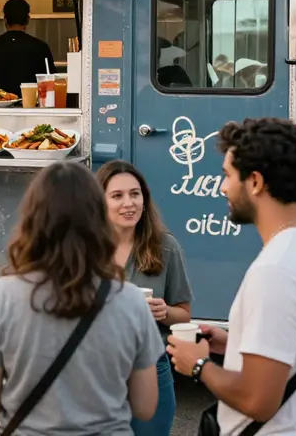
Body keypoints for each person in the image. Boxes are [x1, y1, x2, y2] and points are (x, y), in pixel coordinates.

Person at [167, 117, 296, 434]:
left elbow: (258, 401)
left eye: (227, 175)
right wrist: (234, 344)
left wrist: (198, 365)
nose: (222, 187)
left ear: (255, 182)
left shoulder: (276, 270)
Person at [0, 161, 165, 435]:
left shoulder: (2, 295)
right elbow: (145, 407)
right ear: (98, 218)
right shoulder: (130, 299)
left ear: (33, 218)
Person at [98, 160, 193, 436]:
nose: (129, 203)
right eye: (117, 196)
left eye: (135, 194)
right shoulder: (83, 247)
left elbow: (184, 314)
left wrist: (164, 312)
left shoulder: (166, 247)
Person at [0, 0, 56, 97]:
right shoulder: (41, 46)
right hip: (31, 103)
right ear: (27, 20)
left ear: (5, 20)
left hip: (0, 101)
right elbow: (51, 81)